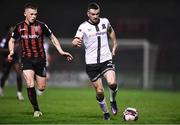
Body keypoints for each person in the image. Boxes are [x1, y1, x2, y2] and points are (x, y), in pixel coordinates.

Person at [8, 3, 73, 117]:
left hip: (40, 59)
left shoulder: (41, 26)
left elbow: (52, 37)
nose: (34, 16)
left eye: (35, 14)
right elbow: (12, 40)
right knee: (29, 83)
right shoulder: (19, 27)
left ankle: (33, 77)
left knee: (41, 87)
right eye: (31, 14)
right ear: (25, 14)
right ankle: (36, 110)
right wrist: (12, 52)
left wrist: (61, 51)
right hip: (26, 59)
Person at [72, 2, 118, 120]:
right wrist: (75, 42)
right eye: (93, 14)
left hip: (106, 59)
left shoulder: (105, 21)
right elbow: (77, 38)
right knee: (100, 92)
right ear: (88, 14)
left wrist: (115, 43)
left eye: (97, 13)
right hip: (92, 64)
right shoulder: (83, 27)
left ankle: (113, 100)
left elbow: (111, 30)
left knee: (112, 83)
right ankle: (106, 112)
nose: (95, 16)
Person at [0, 25, 24, 101]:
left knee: (19, 74)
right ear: (8, 31)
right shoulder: (5, 38)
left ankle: (19, 93)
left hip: (16, 59)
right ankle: (0, 89)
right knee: (5, 74)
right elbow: (1, 49)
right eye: (11, 29)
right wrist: (11, 50)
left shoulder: (17, 38)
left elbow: (20, 47)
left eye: (14, 29)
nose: (13, 30)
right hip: (7, 58)